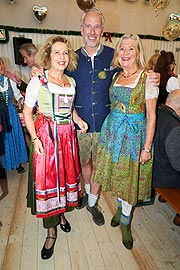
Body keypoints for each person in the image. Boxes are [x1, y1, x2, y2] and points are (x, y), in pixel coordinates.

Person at [31, 8, 160, 227]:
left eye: (97, 26)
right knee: (82, 164)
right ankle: (80, 193)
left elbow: (134, 69)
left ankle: (92, 202)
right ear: (81, 29)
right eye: (88, 26)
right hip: (77, 125)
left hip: (105, 126)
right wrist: (37, 70)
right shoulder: (71, 58)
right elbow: (54, 73)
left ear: (103, 29)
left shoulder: (114, 56)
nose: (92, 31)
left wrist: (152, 74)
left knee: (99, 167)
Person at [23, 36, 88, 260]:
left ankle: (61, 216)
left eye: (65, 53)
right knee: (49, 183)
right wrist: (35, 139)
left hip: (67, 137)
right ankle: (51, 232)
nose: (62, 57)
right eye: (57, 53)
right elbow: (27, 111)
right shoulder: (38, 81)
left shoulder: (71, 82)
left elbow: (70, 109)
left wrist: (78, 120)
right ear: (48, 56)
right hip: (47, 138)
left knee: (65, 179)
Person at [93, 33, 159, 249]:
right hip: (113, 133)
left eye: (131, 49)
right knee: (117, 176)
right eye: (122, 48)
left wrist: (147, 147)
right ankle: (121, 209)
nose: (126, 53)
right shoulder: (116, 76)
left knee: (129, 179)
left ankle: (125, 222)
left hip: (134, 137)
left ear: (138, 52)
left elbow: (152, 115)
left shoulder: (147, 78)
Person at [152, 89, 180, 226]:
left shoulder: (155, 113)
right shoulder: (174, 127)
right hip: (163, 177)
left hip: (153, 168)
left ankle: (164, 197)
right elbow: (178, 165)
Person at [0, 57, 28, 173]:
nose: (2, 67)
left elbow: (18, 96)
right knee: (3, 140)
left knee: (15, 138)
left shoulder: (10, 80)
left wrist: (22, 100)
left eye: (2, 64)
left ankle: (17, 164)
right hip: (0, 116)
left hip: (11, 113)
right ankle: (4, 164)